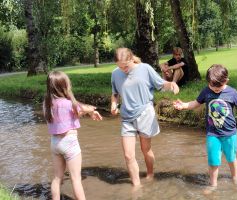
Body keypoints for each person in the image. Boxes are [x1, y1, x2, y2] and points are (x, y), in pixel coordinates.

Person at [173, 64, 237, 190]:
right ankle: (213, 185)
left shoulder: (232, 93)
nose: (216, 89)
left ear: (226, 81)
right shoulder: (206, 91)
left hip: (230, 134)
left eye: (219, 86)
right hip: (213, 134)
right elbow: (195, 103)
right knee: (213, 161)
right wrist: (183, 105)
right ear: (208, 82)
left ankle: (235, 177)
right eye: (212, 86)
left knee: (231, 158)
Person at [110, 47, 179, 187]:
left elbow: (161, 85)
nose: (123, 69)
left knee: (145, 149)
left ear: (131, 59)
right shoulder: (115, 74)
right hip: (126, 118)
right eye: (120, 66)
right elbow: (115, 93)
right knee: (128, 155)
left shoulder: (145, 68)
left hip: (145, 114)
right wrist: (113, 104)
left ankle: (150, 173)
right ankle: (136, 186)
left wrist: (171, 84)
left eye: (126, 66)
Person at [43, 71, 103, 200]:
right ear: (65, 86)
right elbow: (80, 109)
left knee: (57, 177)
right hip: (69, 142)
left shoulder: (47, 104)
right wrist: (92, 110)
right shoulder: (68, 103)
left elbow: (76, 110)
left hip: (55, 143)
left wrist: (87, 111)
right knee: (76, 179)